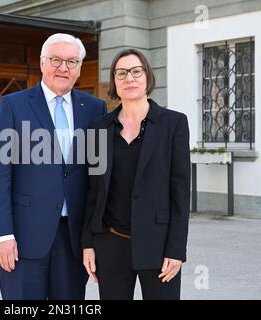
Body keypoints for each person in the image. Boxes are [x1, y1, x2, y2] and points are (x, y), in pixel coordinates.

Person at [0, 33, 107, 300]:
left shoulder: (95, 109)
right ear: (42, 63)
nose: (63, 68)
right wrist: (1, 235)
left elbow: (98, 178)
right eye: (56, 60)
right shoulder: (14, 106)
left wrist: (95, 238)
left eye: (71, 62)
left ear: (79, 69)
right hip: (23, 237)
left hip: (73, 239)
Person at [81, 48, 190, 300]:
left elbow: (181, 192)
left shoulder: (173, 124)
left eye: (135, 71)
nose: (129, 78)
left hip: (159, 244)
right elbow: (93, 191)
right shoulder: (98, 129)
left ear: (147, 77)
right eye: (121, 73)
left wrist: (176, 249)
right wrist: (88, 243)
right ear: (114, 82)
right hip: (110, 243)